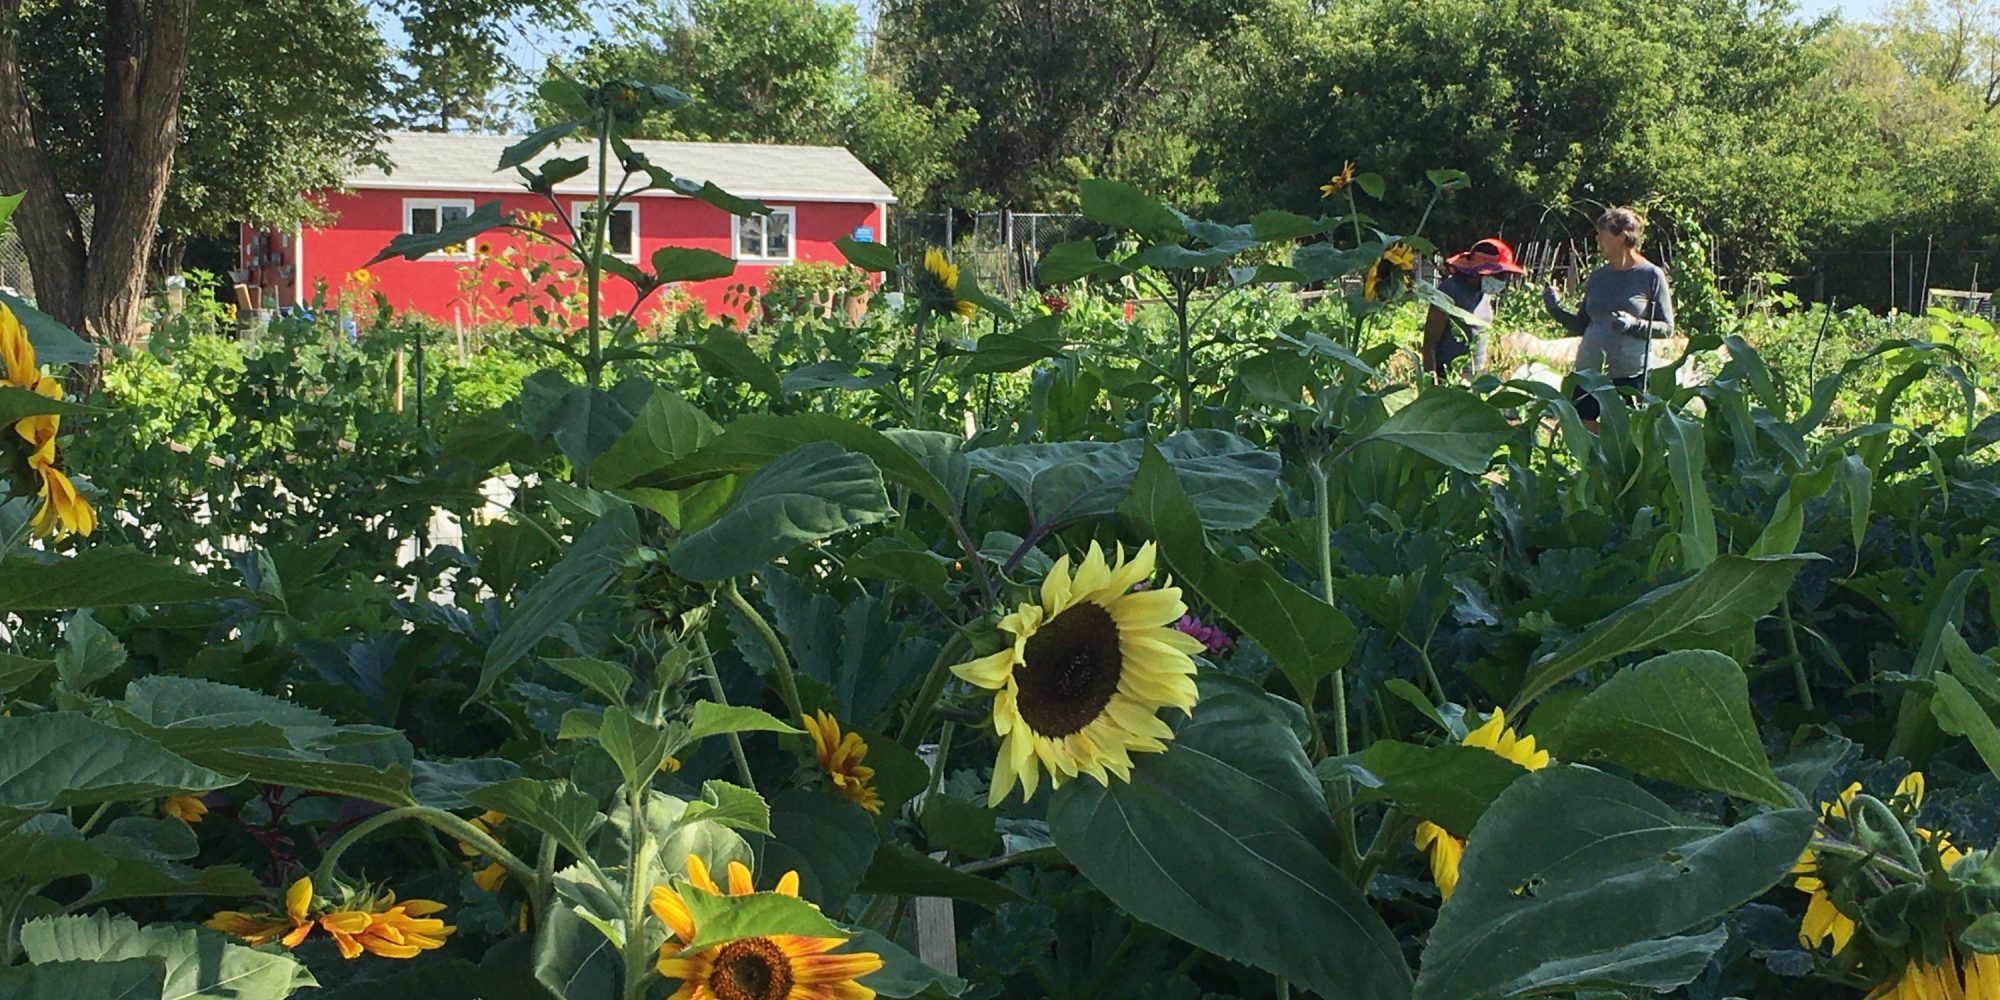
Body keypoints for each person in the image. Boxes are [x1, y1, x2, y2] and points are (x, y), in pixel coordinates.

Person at [1542, 207, 1674, 427]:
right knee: (1584, 427)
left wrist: (1634, 324)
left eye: (1602, 233)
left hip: (1630, 374)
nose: (1597, 238)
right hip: (1589, 373)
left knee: (1625, 434)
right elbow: (1582, 325)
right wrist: (1555, 310)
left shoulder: (1651, 276)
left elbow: (1667, 328)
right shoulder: (1598, 277)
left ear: (1622, 236)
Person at [1422, 237, 1526, 381]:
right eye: (1499, 275)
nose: (1503, 280)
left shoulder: (1483, 294)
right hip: (1450, 376)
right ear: (1480, 270)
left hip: (1476, 375)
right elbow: (1430, 343)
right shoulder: (1450, 290)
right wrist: (1431, 381)